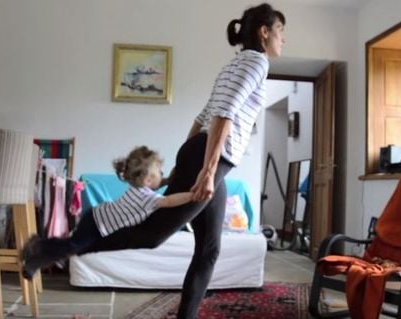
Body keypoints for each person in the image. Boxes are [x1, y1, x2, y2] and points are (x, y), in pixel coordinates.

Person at [26, 3, 285, 318]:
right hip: (208, 159)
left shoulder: (236, 64)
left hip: (204, 156)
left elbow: (204, 115)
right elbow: (223, 113)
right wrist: (205, 169)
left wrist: (191, 162)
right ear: (264, 32)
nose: (282, 39)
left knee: (209, 249)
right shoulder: (256, 62)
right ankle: (48, 250)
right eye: (280, 31)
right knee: (151, 235)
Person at [21, 146, 194, 279]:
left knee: (74, 248)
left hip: (97, 218)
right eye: (159, 171)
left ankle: (37, 257)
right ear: (147, 179)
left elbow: (155, 186)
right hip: (96, 223)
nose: (162, 174)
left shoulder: (140, 189)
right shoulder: (147, 199)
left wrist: (168, 180)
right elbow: (170, 200)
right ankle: (38, 247)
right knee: (73, 246)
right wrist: (193, 196)